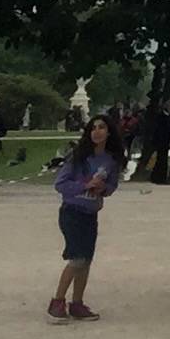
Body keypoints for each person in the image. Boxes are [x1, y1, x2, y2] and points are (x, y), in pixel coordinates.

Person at [48, 116, 123, 325]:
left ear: (109, 132)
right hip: (72, 212)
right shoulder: (78, 158)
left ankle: (77, 303)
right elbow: (60, 184)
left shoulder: (111, 160)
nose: (97, 132)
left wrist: (103, 189)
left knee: (86, 260)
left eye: (101, 128)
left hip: (90, 214)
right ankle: (57, 301)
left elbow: (112, 186)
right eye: (93, 128)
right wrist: (85, 185)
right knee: (77, 258)